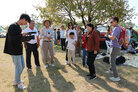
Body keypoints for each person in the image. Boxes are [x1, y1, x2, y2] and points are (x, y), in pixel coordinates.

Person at [3, 14, 31, 89]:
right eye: (26, 22)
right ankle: (18, 83)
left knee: (22, 66)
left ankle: (16, 80)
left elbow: (19, 38)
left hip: (19, 50)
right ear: (23, 19)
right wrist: (22, 35)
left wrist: (25, 38)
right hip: (14, 50)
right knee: (19, 67)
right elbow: (13, 38)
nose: (26, 23)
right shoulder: (13, 26)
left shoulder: (18, 27)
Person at [106, 16, 121, 82]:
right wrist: (110, 32)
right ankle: (111, 70)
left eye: (112, 21)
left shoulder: (116, 29)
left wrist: (107, 35)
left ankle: (116, 76)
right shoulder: (118, 28)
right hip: (116, 46)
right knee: (112, 59)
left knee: (112, 61)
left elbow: (112, 38)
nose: (111, 23)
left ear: (115, 21)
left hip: (115, 47)